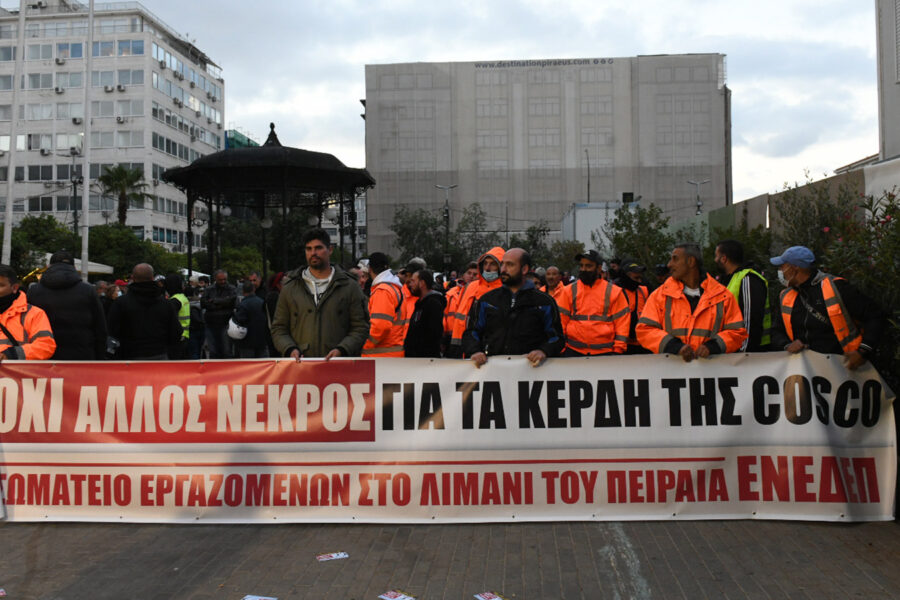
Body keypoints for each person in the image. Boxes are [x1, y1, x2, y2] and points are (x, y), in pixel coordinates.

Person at [769, 246, 886, 370]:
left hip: (844, 369)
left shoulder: (837, 288)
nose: (780, 271)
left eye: (782, 267)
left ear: (795, 267)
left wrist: (863, 351)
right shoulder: (786, 296)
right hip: (803, 370)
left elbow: (875, 316)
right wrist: (786, 345)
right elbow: (776, 331)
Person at [636, 243, 747, 360]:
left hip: (709, 373)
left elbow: (737, 333)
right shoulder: (659, 296)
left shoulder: (722, 296)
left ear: (691, 262)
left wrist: (712, 347)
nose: (669, 264)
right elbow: (644, 330)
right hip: (671, 373)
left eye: (675, 259)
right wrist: (674, 347)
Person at [271, 228, 369, 359]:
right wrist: (289, 349)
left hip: (339, 367)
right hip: (301, 368)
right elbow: (278, 328)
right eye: (309, 249)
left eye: (318, 248)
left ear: (330, 250)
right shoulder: (290, 288)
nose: (313, 253)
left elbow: (360, 327)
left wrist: (342, 349)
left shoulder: (349, 286)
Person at [462, 248, 564, 367]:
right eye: (502, 264)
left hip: (531, 372)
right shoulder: (487, 300)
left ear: (524, 269)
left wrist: (544, 351)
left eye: (510, 265)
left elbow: (557, 337)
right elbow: (472, 332)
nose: (503, 269)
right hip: (492, 371)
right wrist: (475, 351)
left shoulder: (544, 302)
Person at [27, 250, 106, 360]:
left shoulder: (34, 291)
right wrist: (100, 356)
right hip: (81, 354)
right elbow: (100, 327)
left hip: (43, 355)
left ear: (49, 266)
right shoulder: (87, 290)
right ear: (74, 267)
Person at [556, 250, 630, 356]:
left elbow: (622, 324)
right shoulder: (568, 291)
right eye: (581, 266)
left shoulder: (614, 292)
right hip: (573, 351)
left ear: (599, 268)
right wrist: (562, 348)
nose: (583, 269)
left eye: (588, 266)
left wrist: (618, 350)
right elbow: (561, 321)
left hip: (606, 352)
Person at [107, 263, 181, 360]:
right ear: (152, 278)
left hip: (129, 357)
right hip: (158, 354)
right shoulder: (166, 304)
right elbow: (176, 331)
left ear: (133, 278)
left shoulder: (121, 303)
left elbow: (111, 330)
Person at [714, 239, 772, 351]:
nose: (715, 260)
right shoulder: (728, 280)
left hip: (749, 353)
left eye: (716, 256)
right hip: (733, 348)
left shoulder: (748, 279)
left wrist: (744, 352)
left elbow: (751, 320)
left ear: (724, 258)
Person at [447, 246, 505, 356]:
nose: (487, 268)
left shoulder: (505, 290)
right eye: (485, 263)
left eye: (492, 264)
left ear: (501, 267)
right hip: (460, 347)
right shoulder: (469, 287)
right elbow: (459, 319)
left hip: (488, 352)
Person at [0, 264, 55, 360]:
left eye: (0, 285)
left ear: (14, 288)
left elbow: (45, 346)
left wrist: (12, 354)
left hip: (17, 373)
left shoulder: (34, 314)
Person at [362, 252, 405, 357]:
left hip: (380, 355)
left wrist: (364, 344)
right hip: (391, 352)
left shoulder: (382, 290)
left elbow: (380, 327)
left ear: (370, 269)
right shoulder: (394, 287)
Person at [404, 269, 446, 358]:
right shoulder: (420, 304)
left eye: (413, 281)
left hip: (425, 361)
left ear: (422, 283)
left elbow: (433, 335)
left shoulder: (433, 304)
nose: (410, 284)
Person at [201, 270, 237, 358]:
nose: (223, 282)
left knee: (226, 350)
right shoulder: (209, 289)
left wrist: (214, 301)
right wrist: (222, 303)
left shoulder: (231, 288)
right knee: (213, 351)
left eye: (224, 279)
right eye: (220, 280)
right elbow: (203, 303)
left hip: (226, 323)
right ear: (215, 279)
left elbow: (232, 301)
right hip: (211, 323)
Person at [617, 260, 650, 354]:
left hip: (642, 343)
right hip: (623, 345)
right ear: (626, 276)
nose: (639, 281)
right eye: (636, 278)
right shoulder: (616, 292)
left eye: (640, 278)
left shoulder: (644, 291)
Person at [232, 280, 269, 358]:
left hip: (247, 342)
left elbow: (239, 321)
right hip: (262, 340)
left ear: (243, 291)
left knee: (248, 366)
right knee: (262, 365)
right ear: (254, 289)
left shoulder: (243, 305)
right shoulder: (262, 302)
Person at [443, 261, 478, 339]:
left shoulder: (480, 294)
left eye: (475, 274)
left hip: (471, 338)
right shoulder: (451, 293)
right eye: (469, 273)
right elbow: (443, 316)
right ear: (463, 275)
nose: (471, 276)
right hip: (450, 338)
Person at [165, 273, 190, 359]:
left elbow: (170, 320)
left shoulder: (174, 301)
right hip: (185, 335)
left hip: (176, 338)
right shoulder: (183, 297)